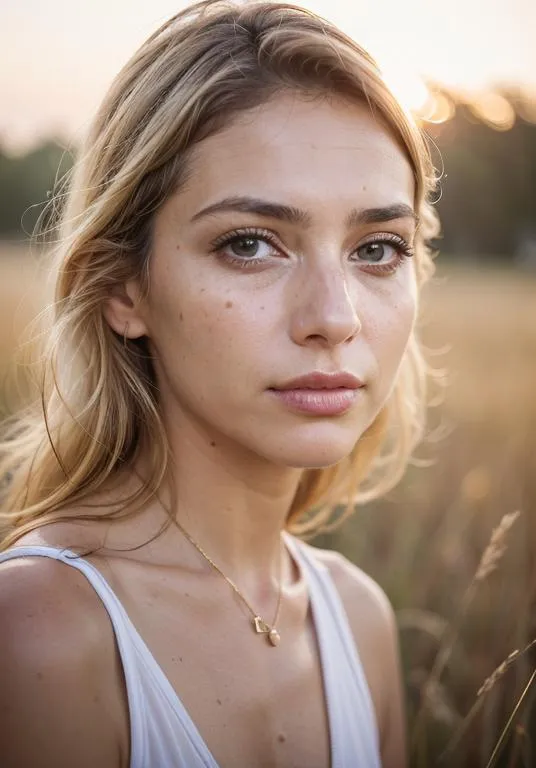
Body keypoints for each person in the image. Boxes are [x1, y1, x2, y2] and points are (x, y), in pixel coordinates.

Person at [0, 1, 440, 766]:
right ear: (123, 288)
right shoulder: (39, 633)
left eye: (377, 248)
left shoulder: (357, 618)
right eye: (250, 243)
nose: (334, 319)